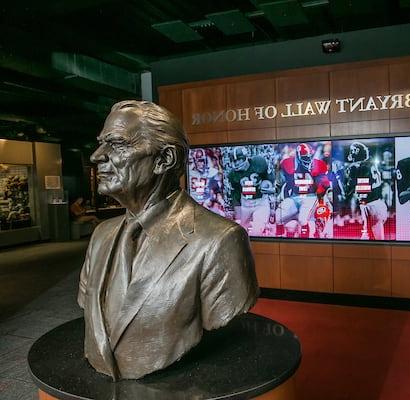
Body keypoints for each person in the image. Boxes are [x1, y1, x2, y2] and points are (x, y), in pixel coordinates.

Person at [78, 100, 259, 380]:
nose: (97, 156)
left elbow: (224, 315)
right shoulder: (102, 235)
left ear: (165, 159)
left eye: (116, 144)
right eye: (102, 143)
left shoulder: (220, 241)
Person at [276, 143, 331, 238]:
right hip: (294, 197)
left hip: (310, 197)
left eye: (310, 156)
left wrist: (320, 191)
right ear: (298, 156)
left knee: (303, 219)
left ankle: (307, 237)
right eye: (305, 157)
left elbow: (325, 185)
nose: (308, 159)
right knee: (278, 217)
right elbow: (282, 183)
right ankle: (278, 240)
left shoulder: (317, 164)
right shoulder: (287, 163)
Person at [339, 141, 389, 240]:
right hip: (375, 205)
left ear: (357, 152)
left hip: (371, 207)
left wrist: (339, 177)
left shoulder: (356, 167)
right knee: (367, 238)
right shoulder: (370, 164)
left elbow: (346, 192)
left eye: (353, 151)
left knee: (377, 241)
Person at [226, 146, 276, 236]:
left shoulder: (258, 162)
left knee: (256, 232)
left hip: (261, 203)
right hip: (245, 205)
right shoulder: (232, 175)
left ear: (245, 157)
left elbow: (269, 177)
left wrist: (268, 184)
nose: (236, 163)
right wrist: (237, 213)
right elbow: (236, 194)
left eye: (238, 160)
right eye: (234, 160)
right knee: (241, 233)